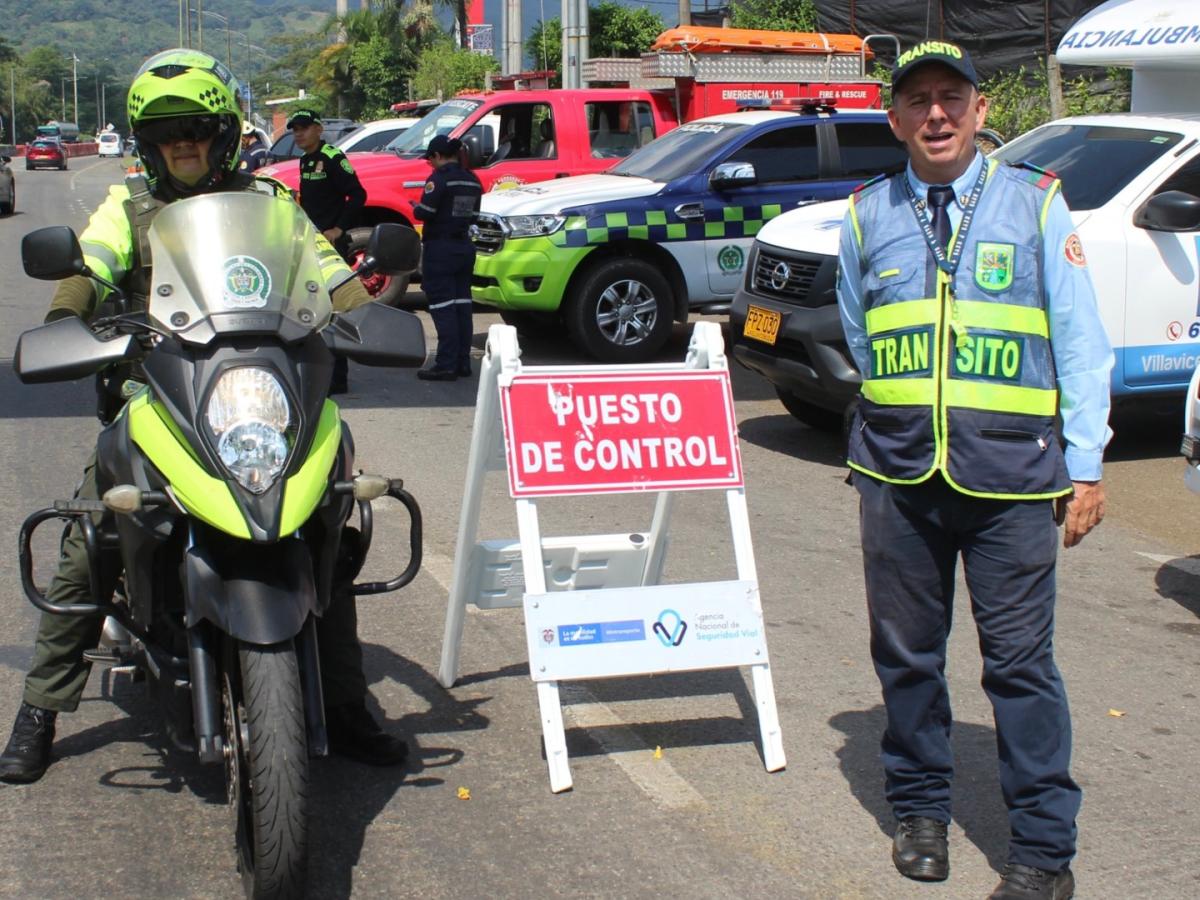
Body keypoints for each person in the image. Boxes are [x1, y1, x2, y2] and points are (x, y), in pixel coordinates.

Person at [0, 49, 407, 786]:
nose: (181, 143)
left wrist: (365, 313)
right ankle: (40, 707)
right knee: (92, 532)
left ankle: (344, 704)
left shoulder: (274, 206)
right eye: (164, 133)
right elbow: (87, 265)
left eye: (195, 128)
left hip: (263, 395)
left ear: (224, 134)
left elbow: (327, 272)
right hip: (159, 397)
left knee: (332, 524)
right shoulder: (126, 208)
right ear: (146, 143)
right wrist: (68, 315)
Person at [836, 41, 1112, 900]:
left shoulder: (1035, 206)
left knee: (1021, 668)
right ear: (895, 119)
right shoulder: (866, 213)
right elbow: (859, 331)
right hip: (899, 475)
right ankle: (920, 809)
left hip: (1015, 482)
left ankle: (1042, 854)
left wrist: (1089, 464)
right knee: (908, 658)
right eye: (916, 101)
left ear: (981, 109)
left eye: (950, 96)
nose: (936, 114)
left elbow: (1079, 342)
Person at [288, 108, 367, 394]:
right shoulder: (305, 161)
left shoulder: (332, 157)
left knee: (334, 310)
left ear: (319, 129)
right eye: (295, 129)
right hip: (311, 244)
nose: (299, 133)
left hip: (332, 246)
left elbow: (358, 195)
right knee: (313, 307)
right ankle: (320, 370)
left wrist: (339, 228)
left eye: (304, 128)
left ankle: (338, 377)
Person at [412, 134, 482, 381]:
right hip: (464, 248)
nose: (429, 164)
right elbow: (474, 216)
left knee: (443, 308)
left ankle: (445, 364)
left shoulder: (439, 179)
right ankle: (463, 362)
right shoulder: (473, 180)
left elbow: (426, 212)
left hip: (440, 250)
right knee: (462, 307)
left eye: (430, 159)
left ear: (438, 156)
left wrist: (415, 207)